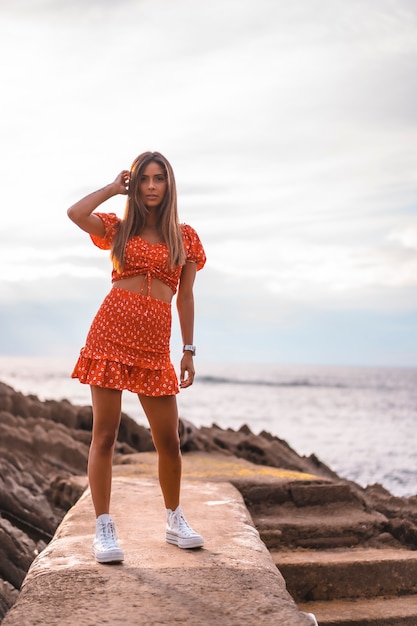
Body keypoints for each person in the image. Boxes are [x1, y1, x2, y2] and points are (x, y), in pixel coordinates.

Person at [67, 151, 206, 564]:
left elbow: (185, 296)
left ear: (168, 184)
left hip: (154, 345)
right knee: (105, 435)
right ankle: (104, 527)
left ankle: (174, 519)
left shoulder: (186, 238)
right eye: (143, 178)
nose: (149, 185)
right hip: (110, 332)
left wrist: (188, 349)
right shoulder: (119, 228)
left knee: (169, 440)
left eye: (157, 178)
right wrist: (113, 188)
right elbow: (75, 212)